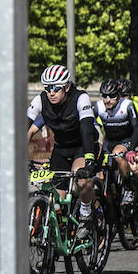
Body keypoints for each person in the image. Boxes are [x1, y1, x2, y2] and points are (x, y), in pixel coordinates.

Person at [25, 64, 99, 240]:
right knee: (56, 199)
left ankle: (86, 214)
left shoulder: (80, 98)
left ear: (66, 86)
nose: (51, 92)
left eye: (56, 88)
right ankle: (53, 246)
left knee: (81, 180)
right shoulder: (40, 100)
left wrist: (89, 160)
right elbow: (24, 127)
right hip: (61, 147)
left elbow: (87, 131)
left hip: (83, 144)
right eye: (47, 88)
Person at [93, 77, 138, 204]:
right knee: (99, 164)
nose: (107, 100)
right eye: (104, 96)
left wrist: (135, 147)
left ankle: (127, 187)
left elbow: (136, 127)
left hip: (126, 140)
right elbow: (89, 124)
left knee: (117, 155)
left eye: (112, 96)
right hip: (108, 141)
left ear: (119, 96)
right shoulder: (98, 106)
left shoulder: (127, 105)